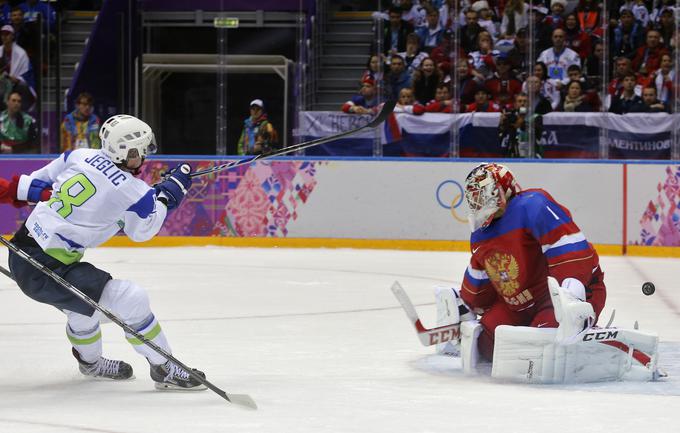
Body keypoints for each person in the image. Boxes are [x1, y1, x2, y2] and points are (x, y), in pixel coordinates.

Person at [7, 114, 206, 390]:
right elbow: (143, 231)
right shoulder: (132, 190)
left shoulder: (79, 155)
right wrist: (168, 194)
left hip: (22, 252)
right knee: (130, 298)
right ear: (128, 152)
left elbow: (36, 183)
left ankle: (90, 363)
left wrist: (152, 195)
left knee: (83, 309)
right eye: (142, 150)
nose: (145, 156)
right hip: (46, 269)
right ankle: (165, 367)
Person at [456, 163, 606, 361]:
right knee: (486, 343)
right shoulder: (479, 236)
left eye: (484, 195)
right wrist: (465, 305)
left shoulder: (532, 205)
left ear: (504, 189)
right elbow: (481, 285)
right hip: (519, 305)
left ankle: (593, 335)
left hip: (557, 298)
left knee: (543, 344)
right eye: (475, 198)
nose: (479, 204)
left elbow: (567, 245)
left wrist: (572, 292)